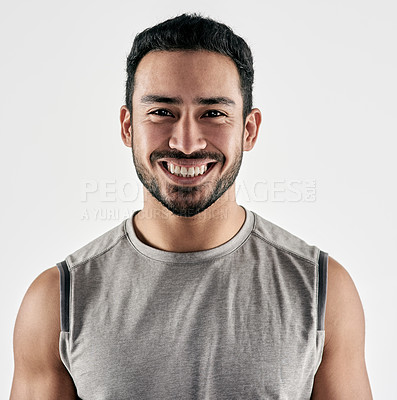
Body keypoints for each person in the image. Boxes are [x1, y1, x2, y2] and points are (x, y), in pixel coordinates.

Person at [10, 13, 373, 399]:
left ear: (248, 130)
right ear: (127, 127)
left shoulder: (322, 291)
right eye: (162, 112)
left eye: (213, 113)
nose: (186, 142)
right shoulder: (57, 301)